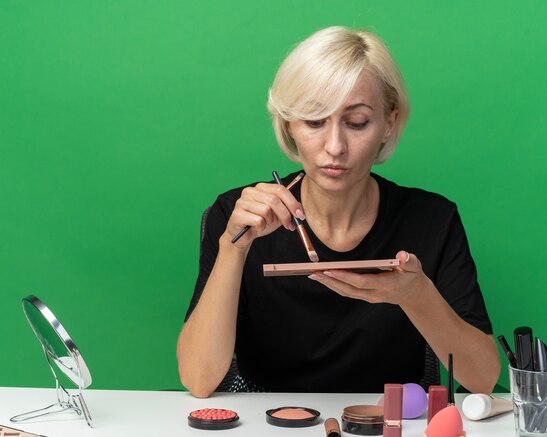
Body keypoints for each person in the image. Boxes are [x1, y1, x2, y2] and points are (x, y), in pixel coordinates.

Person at [177, 26, 500, 397]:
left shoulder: (432, 220)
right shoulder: (239, 214)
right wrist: (234, 249)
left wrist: (416, 295)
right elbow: (198, 380)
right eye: (314, 121)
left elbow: (483, 379)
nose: (334, 147)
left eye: (357, 122)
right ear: (289, 126)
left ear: (388, 124)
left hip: (394, 419)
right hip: (266, 419)